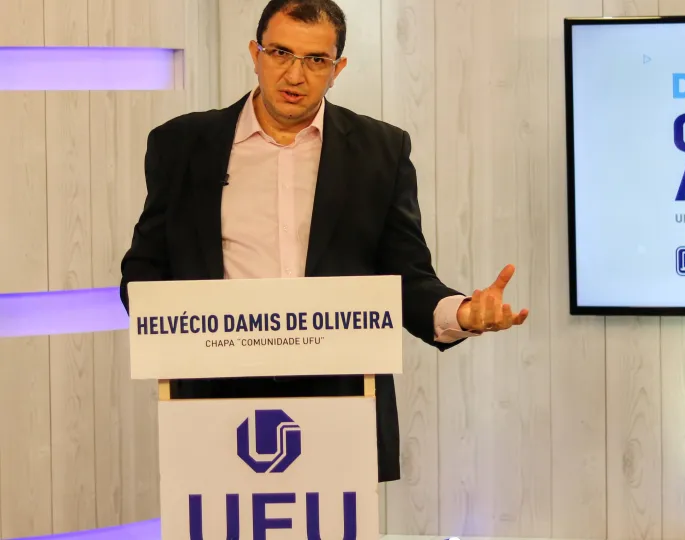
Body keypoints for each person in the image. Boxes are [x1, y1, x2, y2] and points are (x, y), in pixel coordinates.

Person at [118, 0, 528, 483]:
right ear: (255, 53)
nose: (295, 75)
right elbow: (143, 275)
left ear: (338, 69)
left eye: (316, 60)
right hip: (212, 405)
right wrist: (184, 328)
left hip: (341, 405)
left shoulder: (381, 150)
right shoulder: (182, 144)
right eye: (280, 53)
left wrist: (461, 313)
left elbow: (406, 279)